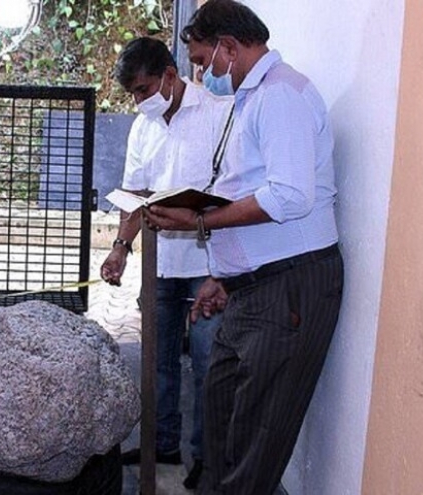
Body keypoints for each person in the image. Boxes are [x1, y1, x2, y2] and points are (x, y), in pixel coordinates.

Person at [145, 1, 344, 493]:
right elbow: (250, 187)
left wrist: (202, 218)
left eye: (201, 60)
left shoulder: (281, 95)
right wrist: (226, 276)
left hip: (289, 288)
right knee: (223, 419)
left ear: (229, 48)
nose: (201, 72)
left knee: (256, 439)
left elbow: (289, 196)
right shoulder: (250, 98)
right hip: (256, 288)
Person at [100, 37, 233, 490]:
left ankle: (205, 458)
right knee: (157, 362)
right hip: (160, 263)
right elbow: (134, 195)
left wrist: (222, 268)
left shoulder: (218, 115)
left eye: (143, 89)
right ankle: (162, 444)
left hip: (207, 263)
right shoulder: (144, 126)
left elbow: (233, 193)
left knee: (206, 359)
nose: (139, 101)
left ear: (170, 76)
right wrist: (120, 247)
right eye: (133, 94)